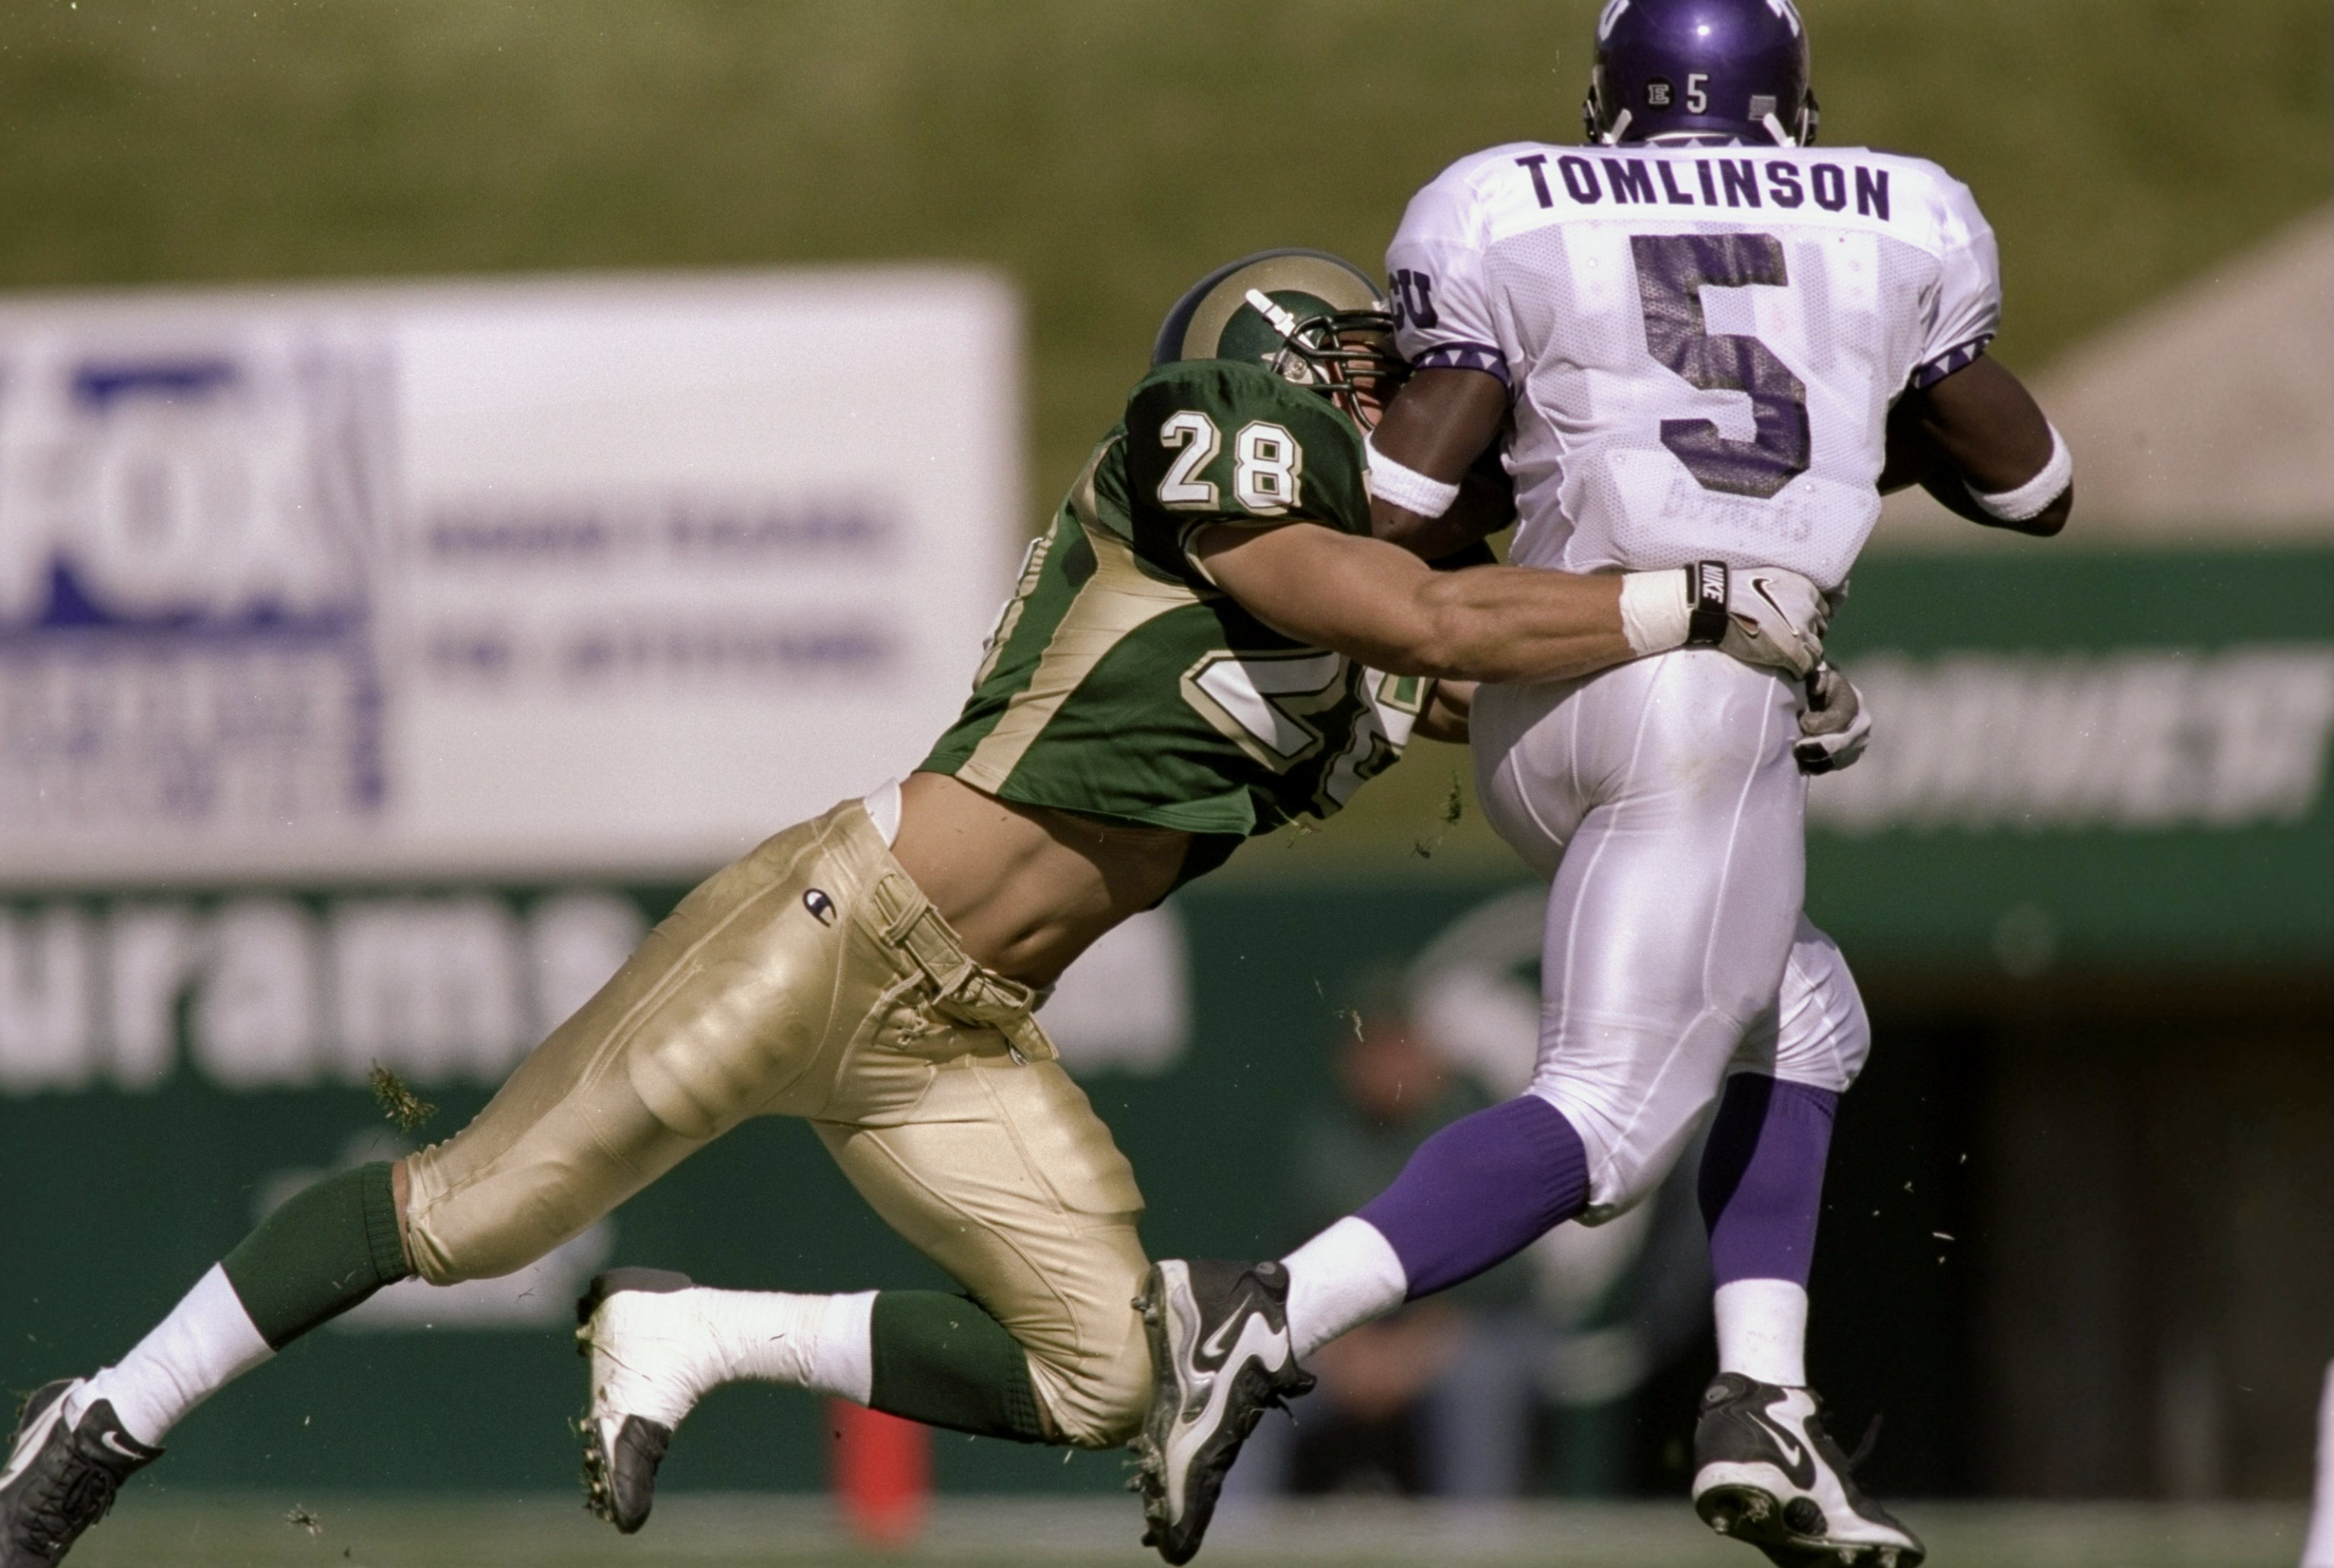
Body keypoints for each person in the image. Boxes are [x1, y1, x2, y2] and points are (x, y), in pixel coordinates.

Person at [0, 249, 1838, 1568]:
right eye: (1370, 370)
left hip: (962, 1031)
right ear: (1283, 368)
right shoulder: (1210, 447)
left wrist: (1749, 688)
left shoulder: (1372, 599)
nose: (1422, 411)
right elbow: (1443, 627)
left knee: (1122, 1373)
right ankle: (106, 1414)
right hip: (841, 921)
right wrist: (1703, 600)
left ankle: (697, 1330)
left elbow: (1516, 672)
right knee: (473, 1211)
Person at [1138, 5, 2073, 1566]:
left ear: (1610, 98)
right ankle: (1270, 1314)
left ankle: (1762, 1404)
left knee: (1809, 1009)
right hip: (1701, 693)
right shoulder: (1903, 212)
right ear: (1790, 99)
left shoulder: (1509, 202)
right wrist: (1849, 433)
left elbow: (1414, 502)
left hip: (1542, 703)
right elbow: (2034, 483)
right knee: (1615, 1115)